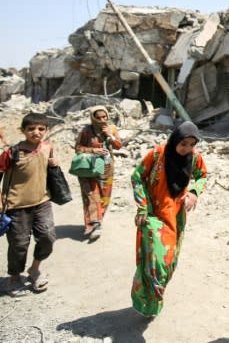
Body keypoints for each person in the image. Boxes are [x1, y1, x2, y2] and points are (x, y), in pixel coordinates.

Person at [130, 121, 208, 318]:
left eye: (191, 144)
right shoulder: (157, 155)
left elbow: (202, 176)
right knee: (156, 261)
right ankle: (147, 302)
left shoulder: (195, 158)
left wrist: (193, 192)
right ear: (175, 140)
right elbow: (137, 177)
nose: (187, 149)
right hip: (154, 215)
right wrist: (142, 206)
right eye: (183, 144)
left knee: (169, 261)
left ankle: (153, 301)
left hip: (177, 217)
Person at [0, 112, 57, 297]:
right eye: (31, 129)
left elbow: (48, 171)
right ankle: (14, 278)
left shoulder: (48, 148)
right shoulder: (12, 152)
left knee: (47, 237)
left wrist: (54, 165)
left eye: (41, 129)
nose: (36, 132)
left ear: (46, 130)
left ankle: (34, 270)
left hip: (42, 202)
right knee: (19, 244)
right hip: (16, 206)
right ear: (23, 130)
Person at [74, 106, 123, 242]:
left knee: (105, 196)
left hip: (106, 168)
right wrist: (93, 150)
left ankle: (98, 220)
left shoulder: (112, 129)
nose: (102, 120)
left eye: (104, 117)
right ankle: (95, 224)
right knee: (91, 195)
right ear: (93, 118)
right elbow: (78, 148)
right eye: (98, 117)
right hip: (88, 168)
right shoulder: (86, 131)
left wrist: (110, 135)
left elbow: (119, 145)